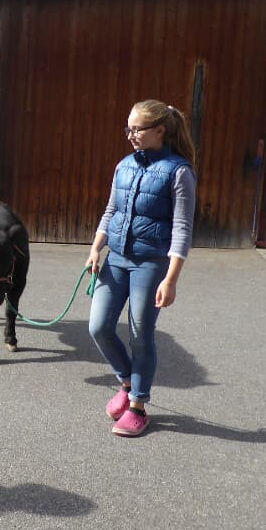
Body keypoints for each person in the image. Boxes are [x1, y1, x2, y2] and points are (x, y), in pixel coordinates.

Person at [86, 99, 197, 437]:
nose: (130, 135)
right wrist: (95, 248)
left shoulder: (179, 172)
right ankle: (126, 381)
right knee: (99, 327)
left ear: (160, 131)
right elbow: (111, 210)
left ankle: (138, 405)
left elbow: (182, 228)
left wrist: (172, 278)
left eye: (137, 129)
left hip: (151, 264)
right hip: (115, 259)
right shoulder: (124, 166)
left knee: (140, 335)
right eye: (128, 128)